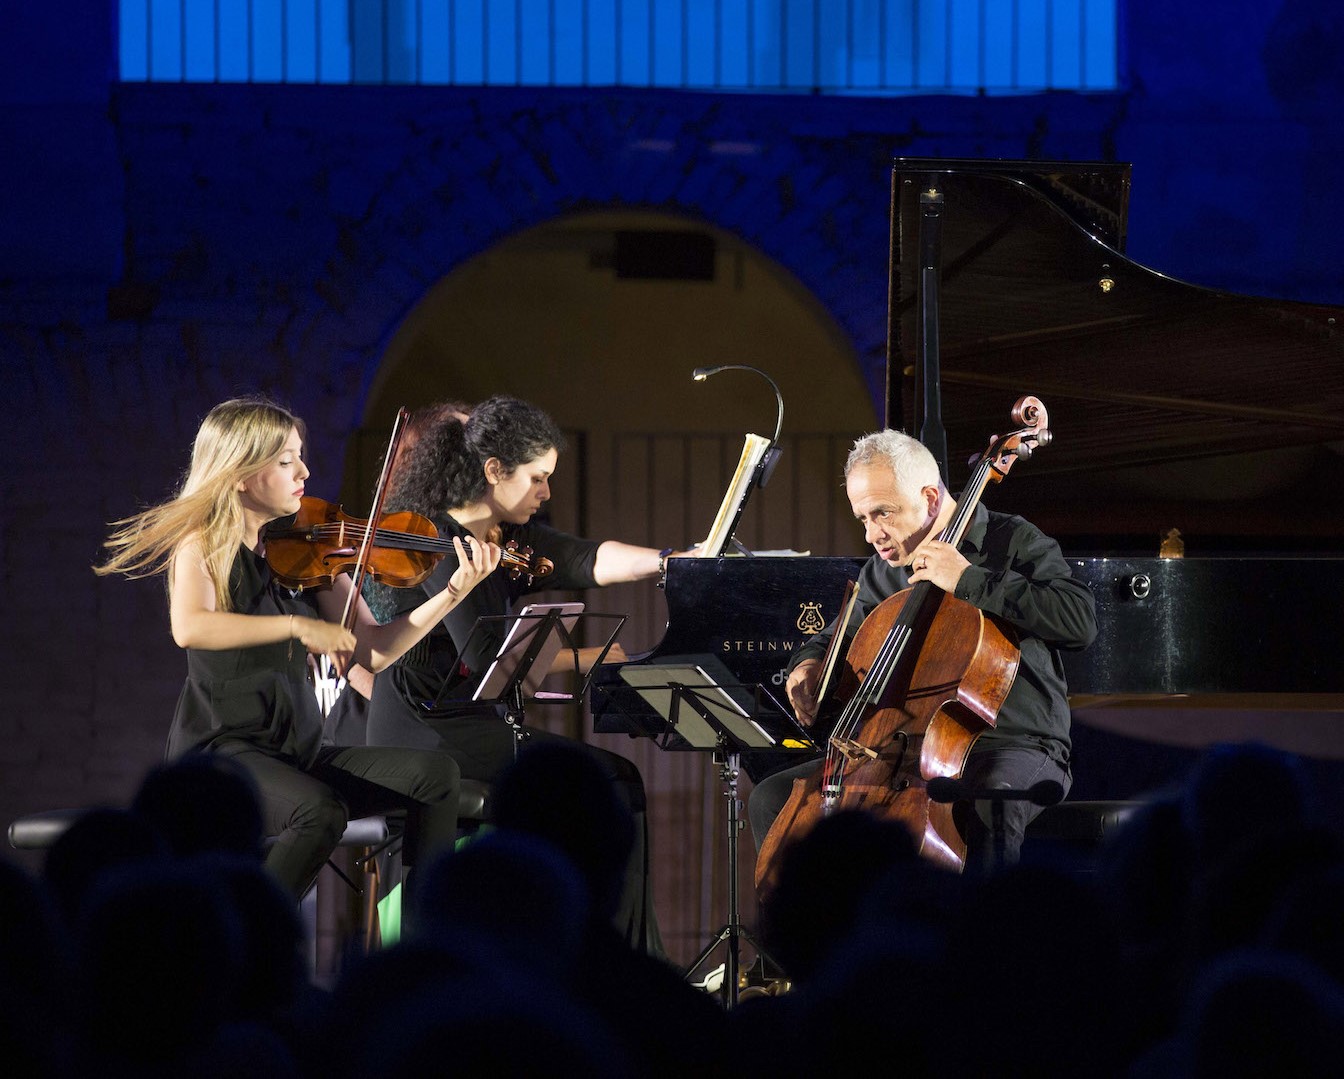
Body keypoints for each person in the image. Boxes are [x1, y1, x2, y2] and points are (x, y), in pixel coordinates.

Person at [96, 396, 502, 899]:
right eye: (286, 461)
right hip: (224, 750)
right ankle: (251, 937)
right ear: (240, 473)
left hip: (297, 751)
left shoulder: (309, 548)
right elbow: (191, 627)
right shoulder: (202, 544)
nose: (304, 471)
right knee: (319, 811)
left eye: (300, 456)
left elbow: (371, 652)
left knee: (436, 774)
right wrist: (295, 627)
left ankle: (426, 938)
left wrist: (451, 594)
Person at [364, 394, 689, 954]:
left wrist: (672, 559)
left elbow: (589, 559)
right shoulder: (443, 544)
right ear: (495, 471)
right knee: (610, 781)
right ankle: (618, 955)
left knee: (614, 779)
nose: (546, 492)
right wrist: (592, 659)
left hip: (472, 720)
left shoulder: (510, 537)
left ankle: (605, 951)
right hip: (426, 726)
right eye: (538, 478)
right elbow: (485, 656)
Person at [748, 428, 1097, 873]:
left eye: (883, 514)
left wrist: (970, 580)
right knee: (773, 798)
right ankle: (812, 941)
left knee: (989, 798)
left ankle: (989, 936)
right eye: (863, 519)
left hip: (1012, 743)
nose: (873, 533)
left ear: (931, 498)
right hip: (904, 752)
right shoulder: (883, 573)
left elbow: (1079, 622)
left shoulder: (1010, 540)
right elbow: (832, 638)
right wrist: (809, 665)